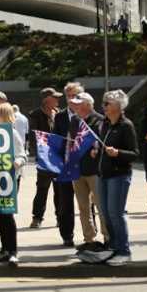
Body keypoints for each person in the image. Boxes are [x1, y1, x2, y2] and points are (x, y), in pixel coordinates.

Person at [91, 90, 139, 265]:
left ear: (119, 107)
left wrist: (118, 152)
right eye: (104, 103)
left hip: (118, 175)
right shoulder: (104, 124)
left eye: (107, 103)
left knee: (116, 213)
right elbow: (101, 147)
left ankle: (124, 250)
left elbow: (134, 154)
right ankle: (113, 246)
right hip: (103, 175)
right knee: (105, 213)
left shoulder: (126, 126)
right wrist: (96, 151)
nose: (103, 106)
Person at [0, 102, 26, 265]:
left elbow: (22, 154)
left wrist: (17, 162)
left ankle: (13, 251)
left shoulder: (13, 133)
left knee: (6, 214)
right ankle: (4, 249)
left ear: (3, 115)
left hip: (9, 178)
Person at [68, 92, 108, 252]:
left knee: (101, 206)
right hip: (78, 169)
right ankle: (89, 239)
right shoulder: (74, 120)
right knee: (83, 206)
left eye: (78, 103)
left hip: (95, 170)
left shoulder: (99, 119)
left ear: (87, 105)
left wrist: (96, 149)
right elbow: (71, 141)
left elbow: (102, 141)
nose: (74, 106)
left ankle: (108, 238)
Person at [50, 82, 81, 246]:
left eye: (75, 96)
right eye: (68, 96)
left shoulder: (87, 114)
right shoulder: (60, 116)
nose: (71, 99)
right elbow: (55, 140)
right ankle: (67, 235)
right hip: (65, 166)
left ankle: (90, 234)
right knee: (65, 202)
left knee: (86, 203)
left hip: (84, 166)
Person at [27, 86, 62, 229]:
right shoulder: (35, 115)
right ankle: (37, 218)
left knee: (60, 190)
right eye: (55, 97)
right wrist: (40, 155)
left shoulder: (59, 113)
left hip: (59, 158)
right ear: (47, 99)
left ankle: (61, 217)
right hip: (44, 159)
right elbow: (33, 136)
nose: (58, 99)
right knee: (42, 189)